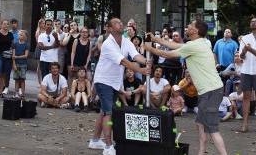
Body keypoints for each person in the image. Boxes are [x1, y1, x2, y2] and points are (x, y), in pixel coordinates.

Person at [144, 19, 229, 155]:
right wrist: (156, 39)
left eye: (190, 25)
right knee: (200, 124)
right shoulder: (196, 43)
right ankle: (201, 152)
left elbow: (167, 54)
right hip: (208, 91)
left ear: (195, 31)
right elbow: (173, 45)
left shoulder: (194, 46)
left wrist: (150, 48)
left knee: (212, 129)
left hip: (211, 91)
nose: (187, 26)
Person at [88, 17, 149, 155]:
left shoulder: (127, 41)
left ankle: (95, 140)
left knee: (104, 111)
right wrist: (141, 70)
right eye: (116, 23)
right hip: (103, 81)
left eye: (121, 22)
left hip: (115, 82)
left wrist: (146, 61)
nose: (120, 24)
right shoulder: (107, 44)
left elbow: (135, 55)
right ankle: (108, 146)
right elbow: (124, 61)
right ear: (109, 28)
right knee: (108, 112)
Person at [12, 30, 30, 98]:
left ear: (25, 37)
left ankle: (22, 94)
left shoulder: (26, 45)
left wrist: (17, 57)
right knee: (16, 79)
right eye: (19, 35)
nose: (19, 36)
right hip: (16, 64)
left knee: (22, 79)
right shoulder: (15, 44)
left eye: (21, 35)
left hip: (23, 64)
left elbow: (26, 55)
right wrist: (14, 64)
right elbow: (13, 56)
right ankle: (16, 93)